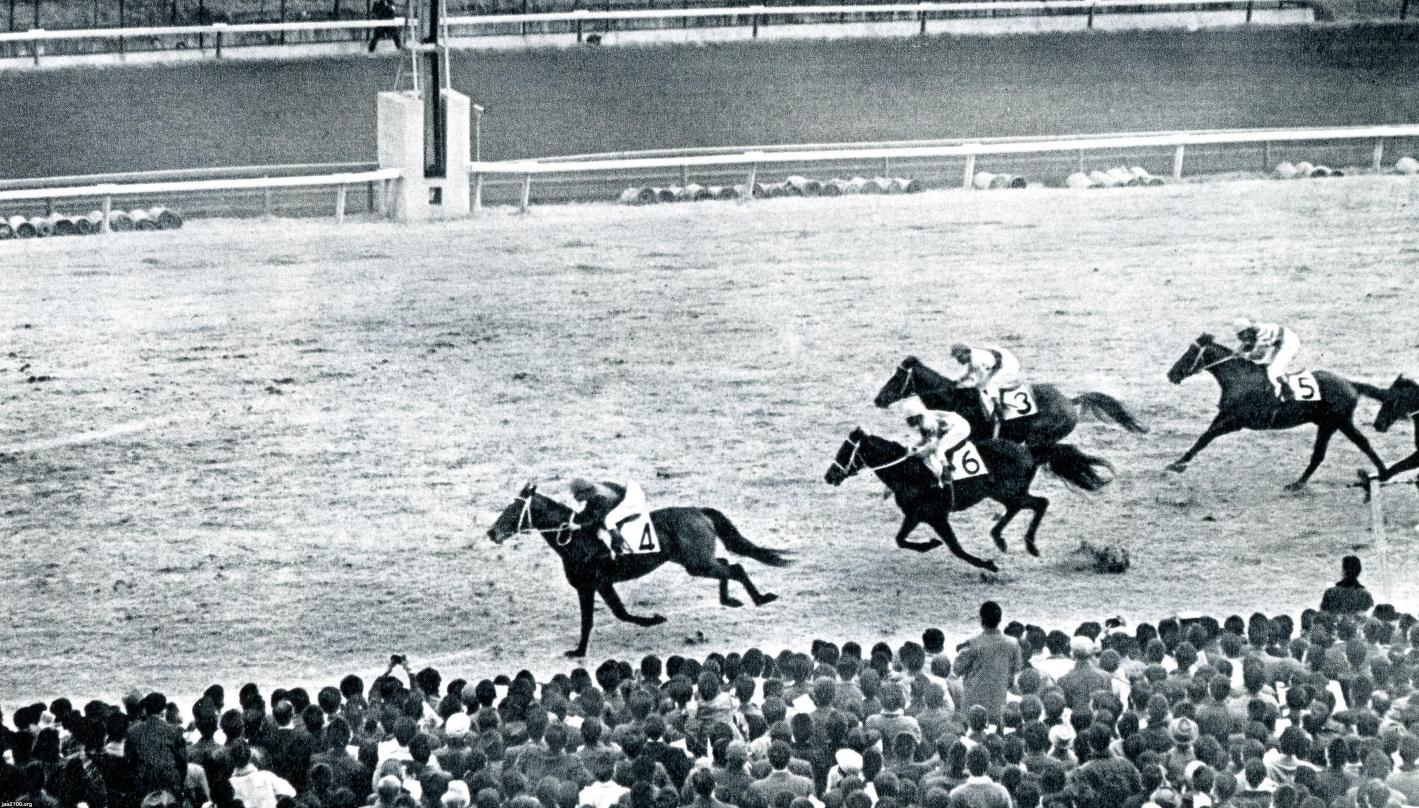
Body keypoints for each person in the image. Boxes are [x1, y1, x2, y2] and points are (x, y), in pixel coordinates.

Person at [953, 601, 1023, 716]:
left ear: (982, 620)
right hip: (998, 704)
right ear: (999, 620)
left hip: (972, 706)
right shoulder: (1013, 643)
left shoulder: (972, 644)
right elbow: (1016, 669)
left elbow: (956, 669)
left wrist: (962, 651)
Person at [901, 397, 972, 490]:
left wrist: (917, 451)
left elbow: (932, 445)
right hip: (953, 425)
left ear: (916, 416)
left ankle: (947, 472)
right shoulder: (922, 419)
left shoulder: (928, 422)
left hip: (960, 428)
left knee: (939, 448)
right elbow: (925, 439)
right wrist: (914, 447)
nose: (908, 422)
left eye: (910, 419)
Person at [569, 478, 649, 558]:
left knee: (608, 521)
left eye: (576, 494)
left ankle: (619, 549)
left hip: (632, 503)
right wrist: (575, 518)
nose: (575, 497)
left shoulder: (599, 498)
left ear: (584, 491)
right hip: (621, 497)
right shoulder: (592, 492)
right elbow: (588, 510)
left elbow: (596, 520)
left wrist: (579, 526)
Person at [949, 343, 1021, 424]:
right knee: (985, 384)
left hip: (1009, 364)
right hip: (1000, 358)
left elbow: (981, 382)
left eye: (959, 357)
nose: (958, 360)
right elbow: (968, 373)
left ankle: (999, 411)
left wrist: (965, 384)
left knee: (990, 385)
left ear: (966, 353)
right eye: (956, 358)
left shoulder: (977, 360)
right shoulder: (972, 355)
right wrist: (957, 380)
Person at [1233, 318, 1299, 399]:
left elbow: (1259, 355)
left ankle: (1288, 391)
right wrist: (1238, 351)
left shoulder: (1262, 332)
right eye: (1238, 335)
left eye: (1241, 334)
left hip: (1289, 342)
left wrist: (1244, 355)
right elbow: (1246, 344)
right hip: (1278, 342)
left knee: (1273, 369)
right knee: (1265, 365)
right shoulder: (1251, 330)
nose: (1239, 337)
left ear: (1247, 330)